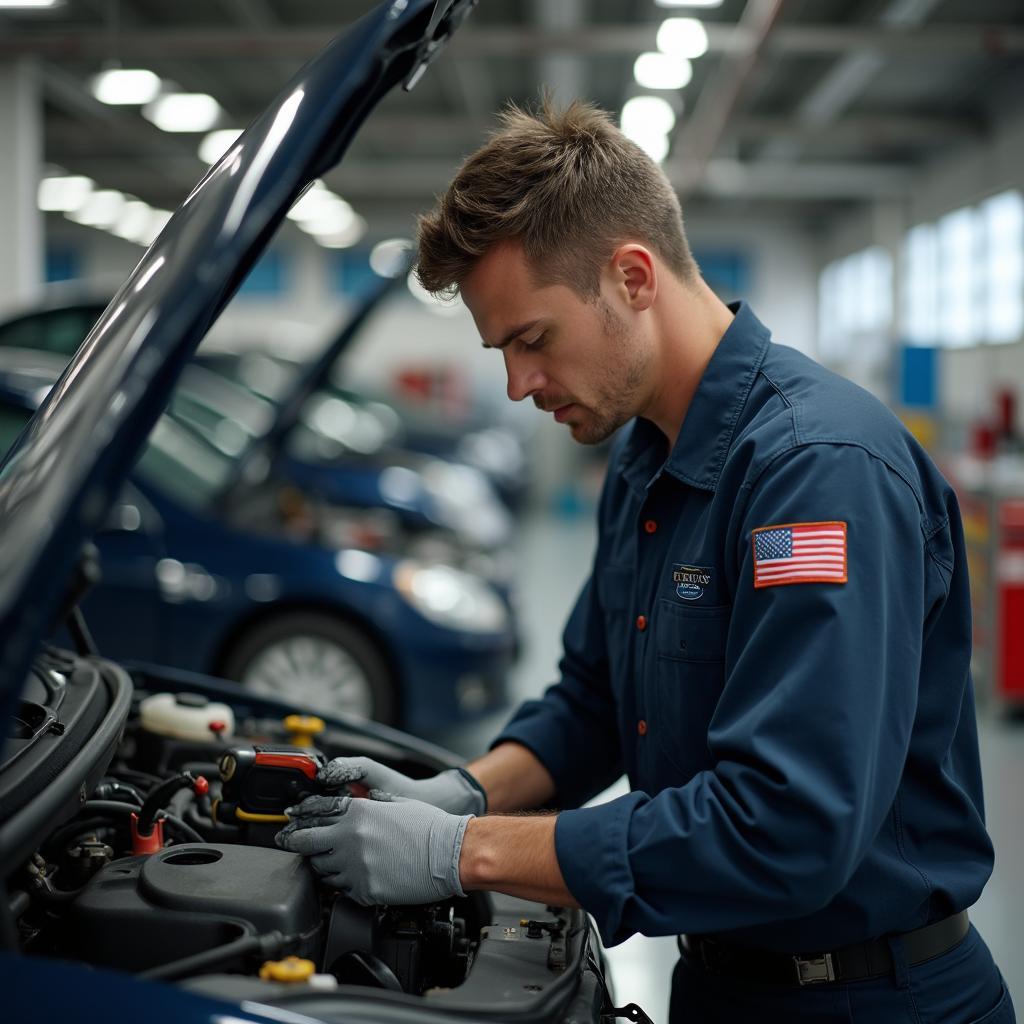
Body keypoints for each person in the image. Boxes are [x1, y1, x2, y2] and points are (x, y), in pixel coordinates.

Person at [277, 99, 1015, 1024]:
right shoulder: (644, 460)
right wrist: (464, 788)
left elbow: (784, 826)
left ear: (632, 276)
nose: (517, 385)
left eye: (532, 339)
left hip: (869, 998)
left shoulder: (815, 471)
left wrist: (461, 850)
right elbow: (593, 701)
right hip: (715, 983)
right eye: (500, 351)